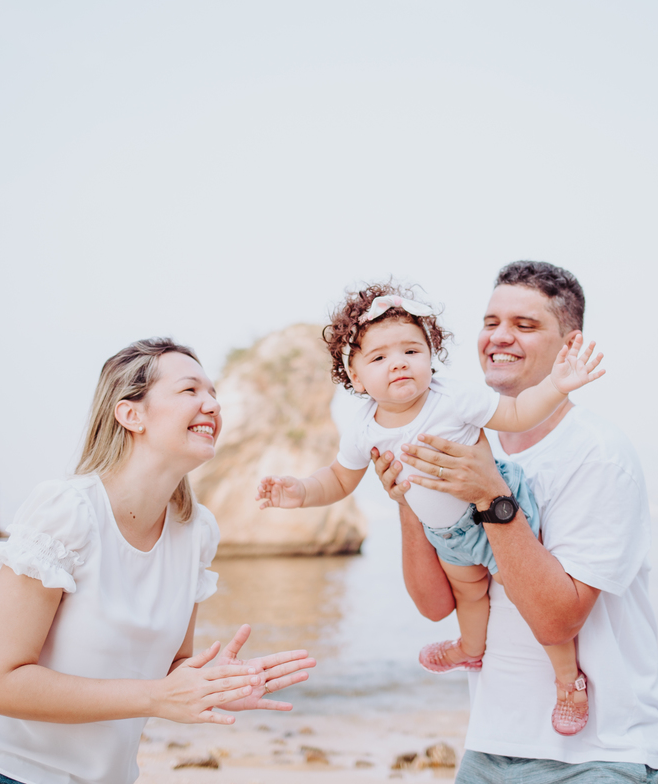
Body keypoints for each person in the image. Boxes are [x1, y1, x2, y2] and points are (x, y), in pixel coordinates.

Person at [0, 338, 317, 784]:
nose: (212, 404)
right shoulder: (68, 512)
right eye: (190, 390)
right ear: (130, 414)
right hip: (1, 773)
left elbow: (172, 667)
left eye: (213, 393)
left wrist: (215, 685)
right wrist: (156, 698)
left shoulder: (196, 531)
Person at [256, 281, 604, 735]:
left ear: (431, 355)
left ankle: (567, 680)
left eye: (410, 351)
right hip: (446, 534)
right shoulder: (363, 428)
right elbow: (340, 479)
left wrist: (557, 385)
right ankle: (470, 647)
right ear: (356, 378)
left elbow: (517, 415)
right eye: (378, 358)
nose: (397, 362)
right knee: (468, 595)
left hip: (496, 513)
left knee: (523, 596)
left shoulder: (453, 397)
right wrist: (299, 491)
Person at [372, 262, 658, 783]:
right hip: (488, 748)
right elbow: (435, 603)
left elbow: (558, 619)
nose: (499, 337)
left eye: (525, 326)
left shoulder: (597, 456)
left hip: (598, 758)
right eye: (490, 321)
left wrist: (492, 493)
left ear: (569, 345)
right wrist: (407, 502)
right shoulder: (459, 438)